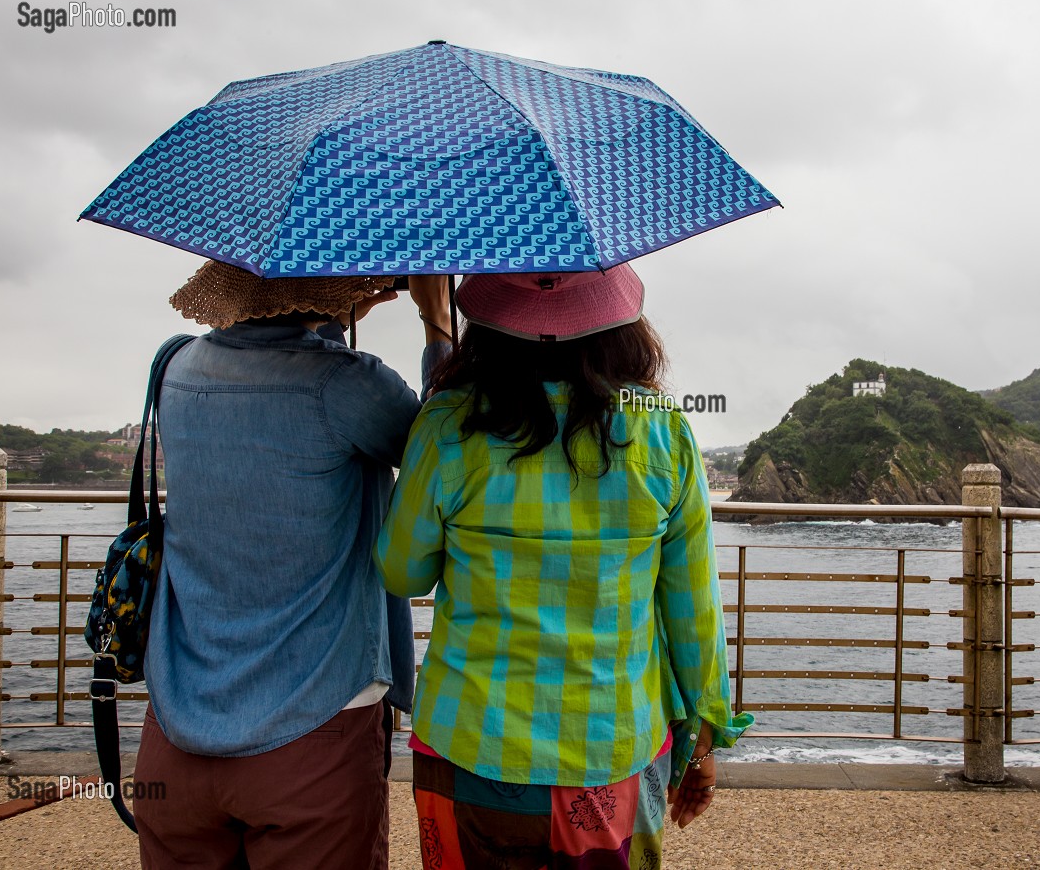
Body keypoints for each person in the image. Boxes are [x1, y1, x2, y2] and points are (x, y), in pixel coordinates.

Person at [375, 264, 752, 869]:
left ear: (490, 323)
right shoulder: (661, 430)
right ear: (619, 322)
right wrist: (707, 738)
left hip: (469, 746)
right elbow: (694, 613)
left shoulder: (446, 424)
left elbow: (403, 574)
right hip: (612, 755)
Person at [132, 261, 452, 870]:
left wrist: (328, 320)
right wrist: (437, 323)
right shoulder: (345, 383)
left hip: (177, 725)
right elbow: (445, 453)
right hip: (317, 724)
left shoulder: (173, 368)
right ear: (332, 289)